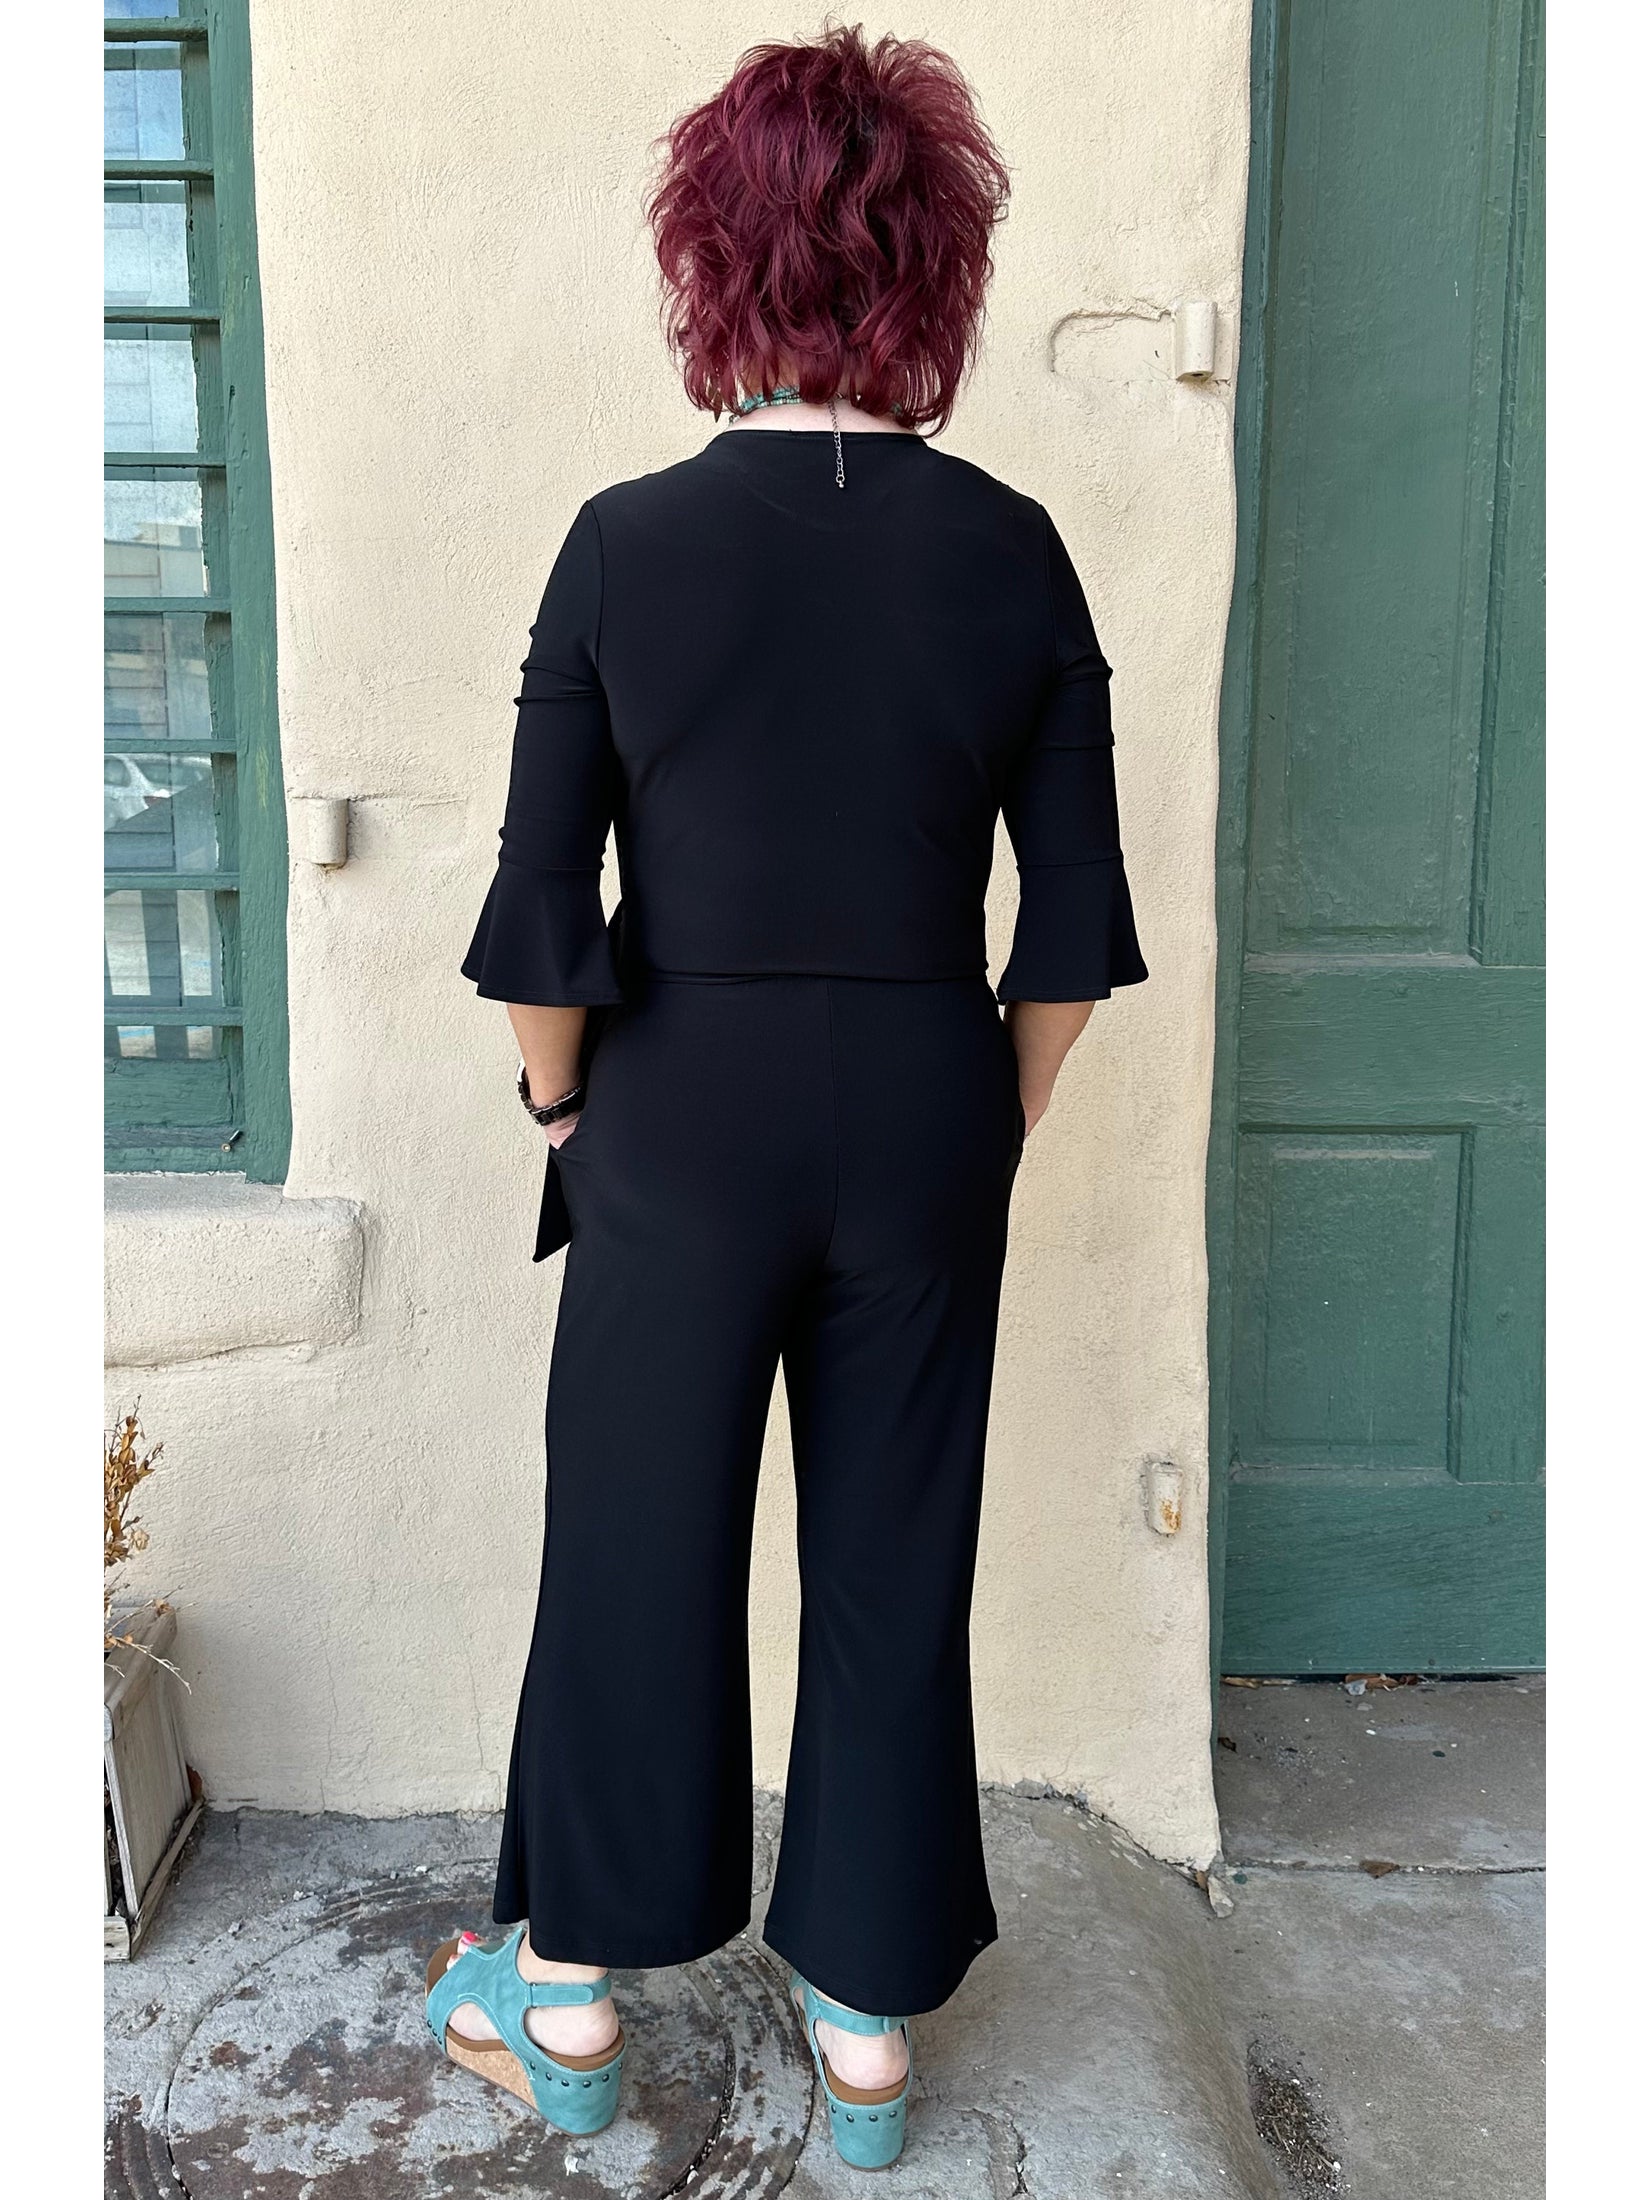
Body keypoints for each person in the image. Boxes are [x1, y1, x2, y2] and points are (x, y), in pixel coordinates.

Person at [423, 21, 1147, 2169]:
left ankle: (567, 1997)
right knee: (895, 1549)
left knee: (632, 1540)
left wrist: (565, 1117)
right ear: (938, 271)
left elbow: (542, 911)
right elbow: (1070, 927)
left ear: (709, 260)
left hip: (675, 1115)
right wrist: (981, 1122)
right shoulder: (1016, 550)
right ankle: (863, 2028)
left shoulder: (622, 542)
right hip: (926, 1098)